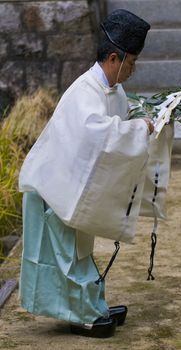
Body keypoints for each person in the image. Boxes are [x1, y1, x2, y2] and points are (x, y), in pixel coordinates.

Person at [18, 9, 154, 338]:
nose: (132, 70)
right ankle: (86, 315)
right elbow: (101, 134)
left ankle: (92, 307)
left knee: (78, 254)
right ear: (113, 58)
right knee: (65, 260)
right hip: (51, 191)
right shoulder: (85, 92)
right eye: (131, 62)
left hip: (71, 188)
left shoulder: (111, 89)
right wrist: (140, 129)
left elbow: (114, 131)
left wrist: (143, 123)